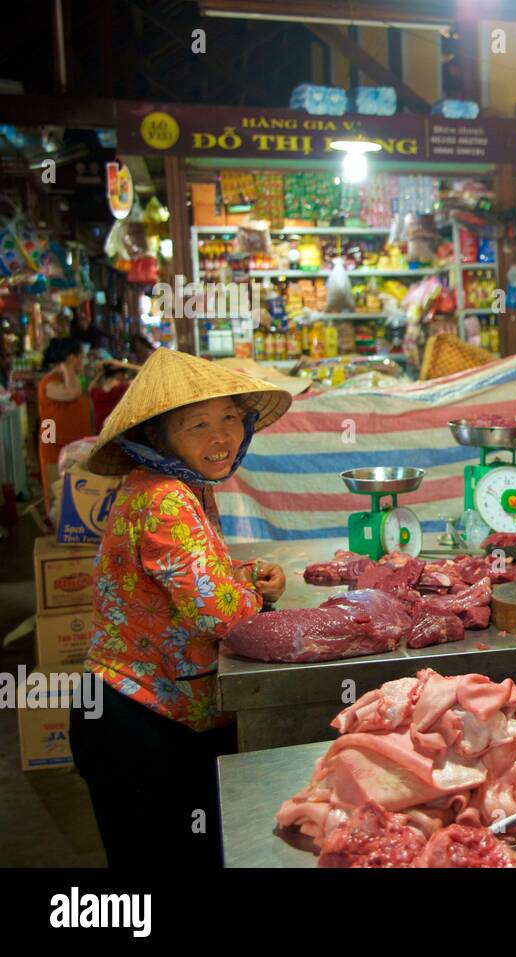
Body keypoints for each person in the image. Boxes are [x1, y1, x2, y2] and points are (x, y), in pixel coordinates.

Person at [71, 348, 293, 867]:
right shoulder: (165, 499)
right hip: (137, 722)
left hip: (157, 714)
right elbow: (223, 615)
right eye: (197, 424)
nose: (221, 438)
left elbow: (192, 582)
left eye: (231, 418)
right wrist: (255, 595)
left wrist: (249, 579)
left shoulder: (183, 485)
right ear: (158, 436)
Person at [36, 337, 94, 512]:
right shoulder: (50, 382)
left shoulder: (68, 378)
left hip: (73, 447)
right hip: (55, 447)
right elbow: (72, 393)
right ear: (71, 358)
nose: (82, 361)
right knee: (59, 498)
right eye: (80, 357)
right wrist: (67, 367)